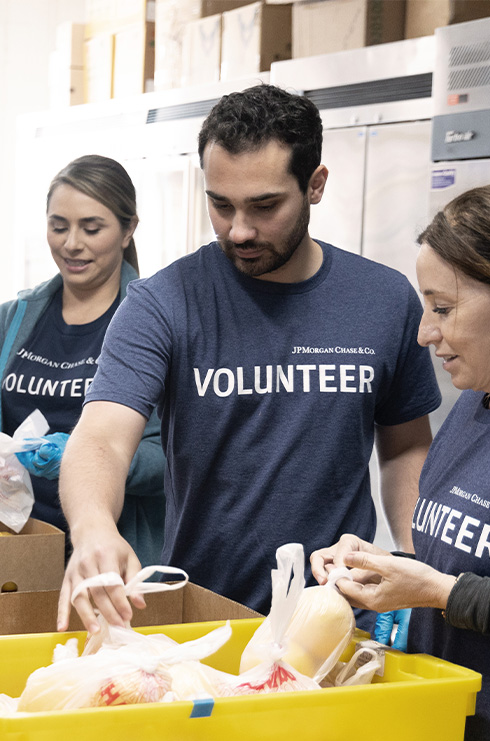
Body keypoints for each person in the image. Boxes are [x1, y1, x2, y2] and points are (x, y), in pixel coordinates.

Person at [56, 83, 440, 635]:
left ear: (315, 185)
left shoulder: (383, 298)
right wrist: (93, 526)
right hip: (205, 619)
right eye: (220, 204)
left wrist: (414, 559)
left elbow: (405, 446)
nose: (238, 230)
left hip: (337, 620)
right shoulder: (163, 303)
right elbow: (101, 438)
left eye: (264, 206)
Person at [310, 184, 490, 741]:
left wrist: (439, 593)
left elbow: (455, 588)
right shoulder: (470, 410)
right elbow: (453, 561)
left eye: (443, 309)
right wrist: (381, 572)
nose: (424, 333)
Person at [0, 154, 165, 565]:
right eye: (59, 226)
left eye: (92, 228)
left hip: (109, 552)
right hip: (19, 547)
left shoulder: (157, 324)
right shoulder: (13, 318)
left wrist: (85, 457)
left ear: (129, 230)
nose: (72, 243)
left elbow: (171, 459)